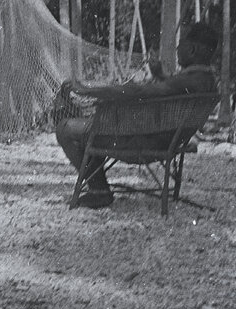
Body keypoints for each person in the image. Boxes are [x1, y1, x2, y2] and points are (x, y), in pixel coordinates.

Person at [54, 22, 219, 208]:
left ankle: (98, 190)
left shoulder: (188, 80)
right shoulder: (208, 81)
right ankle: (98, 187)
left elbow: (141, 92)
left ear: (193, 50)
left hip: (143, 141)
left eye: (181, 44)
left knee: (64, 129)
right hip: (169, 141)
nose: (177, 48)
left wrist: (89, 89)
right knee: (93, 127)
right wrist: (161, 75)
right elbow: (175, 90)